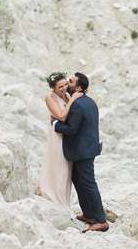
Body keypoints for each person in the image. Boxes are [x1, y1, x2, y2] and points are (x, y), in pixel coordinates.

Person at [53, 73, 109, 233]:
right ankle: (89, 214)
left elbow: (71, 129)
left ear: (78, 88)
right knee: (78, 179)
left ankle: (101, 220)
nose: (66, 83)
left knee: (89, 183)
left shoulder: (77, 104)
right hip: (86, 148)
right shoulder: (88, 101)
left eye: (70, 82)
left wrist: (55, 124)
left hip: (83, 151)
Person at [39, 72, 83, 212]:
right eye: (60, 87)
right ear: (53, 88)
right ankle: (55, 200)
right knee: (58, 168)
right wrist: (73, 99)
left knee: (66, 171)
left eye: (65, 85)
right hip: (58, 137)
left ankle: (64, 202)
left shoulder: (67, 94)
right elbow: (62, 117)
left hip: (67, 135)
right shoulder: (50, 97)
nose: (64, 88)